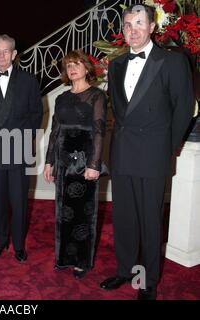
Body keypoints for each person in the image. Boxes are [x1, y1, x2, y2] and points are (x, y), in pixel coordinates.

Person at [100, 4, 194, 300]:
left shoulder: (172, 62)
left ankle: (146, 279)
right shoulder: (115, 66)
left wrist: (168, 148)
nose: (133, 29)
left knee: (149, 221)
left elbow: (183, 109)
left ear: (152, 27)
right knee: (124, 218)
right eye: (127, 24)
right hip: (123, 152)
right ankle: (125, 269)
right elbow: (119, 110)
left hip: (153, 154)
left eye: (139, 23)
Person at [0, 34, 43, 262]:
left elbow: (37, 114)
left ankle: (19, 245)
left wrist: (25, 140)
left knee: (19, 199)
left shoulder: (29, 81)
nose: (2, 55)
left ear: (14, 54)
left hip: (20, 149)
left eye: (7, 51)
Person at [44, 50, 107, 279]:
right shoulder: (61, 97)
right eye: (68, 65)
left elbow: (100, 131)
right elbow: (54, 132)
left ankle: (81, 260)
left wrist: (94, 164)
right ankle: (63, 258)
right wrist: (49, 162)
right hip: (62, 160)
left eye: (77, 64)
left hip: (84, 160)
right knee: (63, 212)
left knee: (84, 213)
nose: (72, 69)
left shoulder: (97, 96)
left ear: (86, 68)